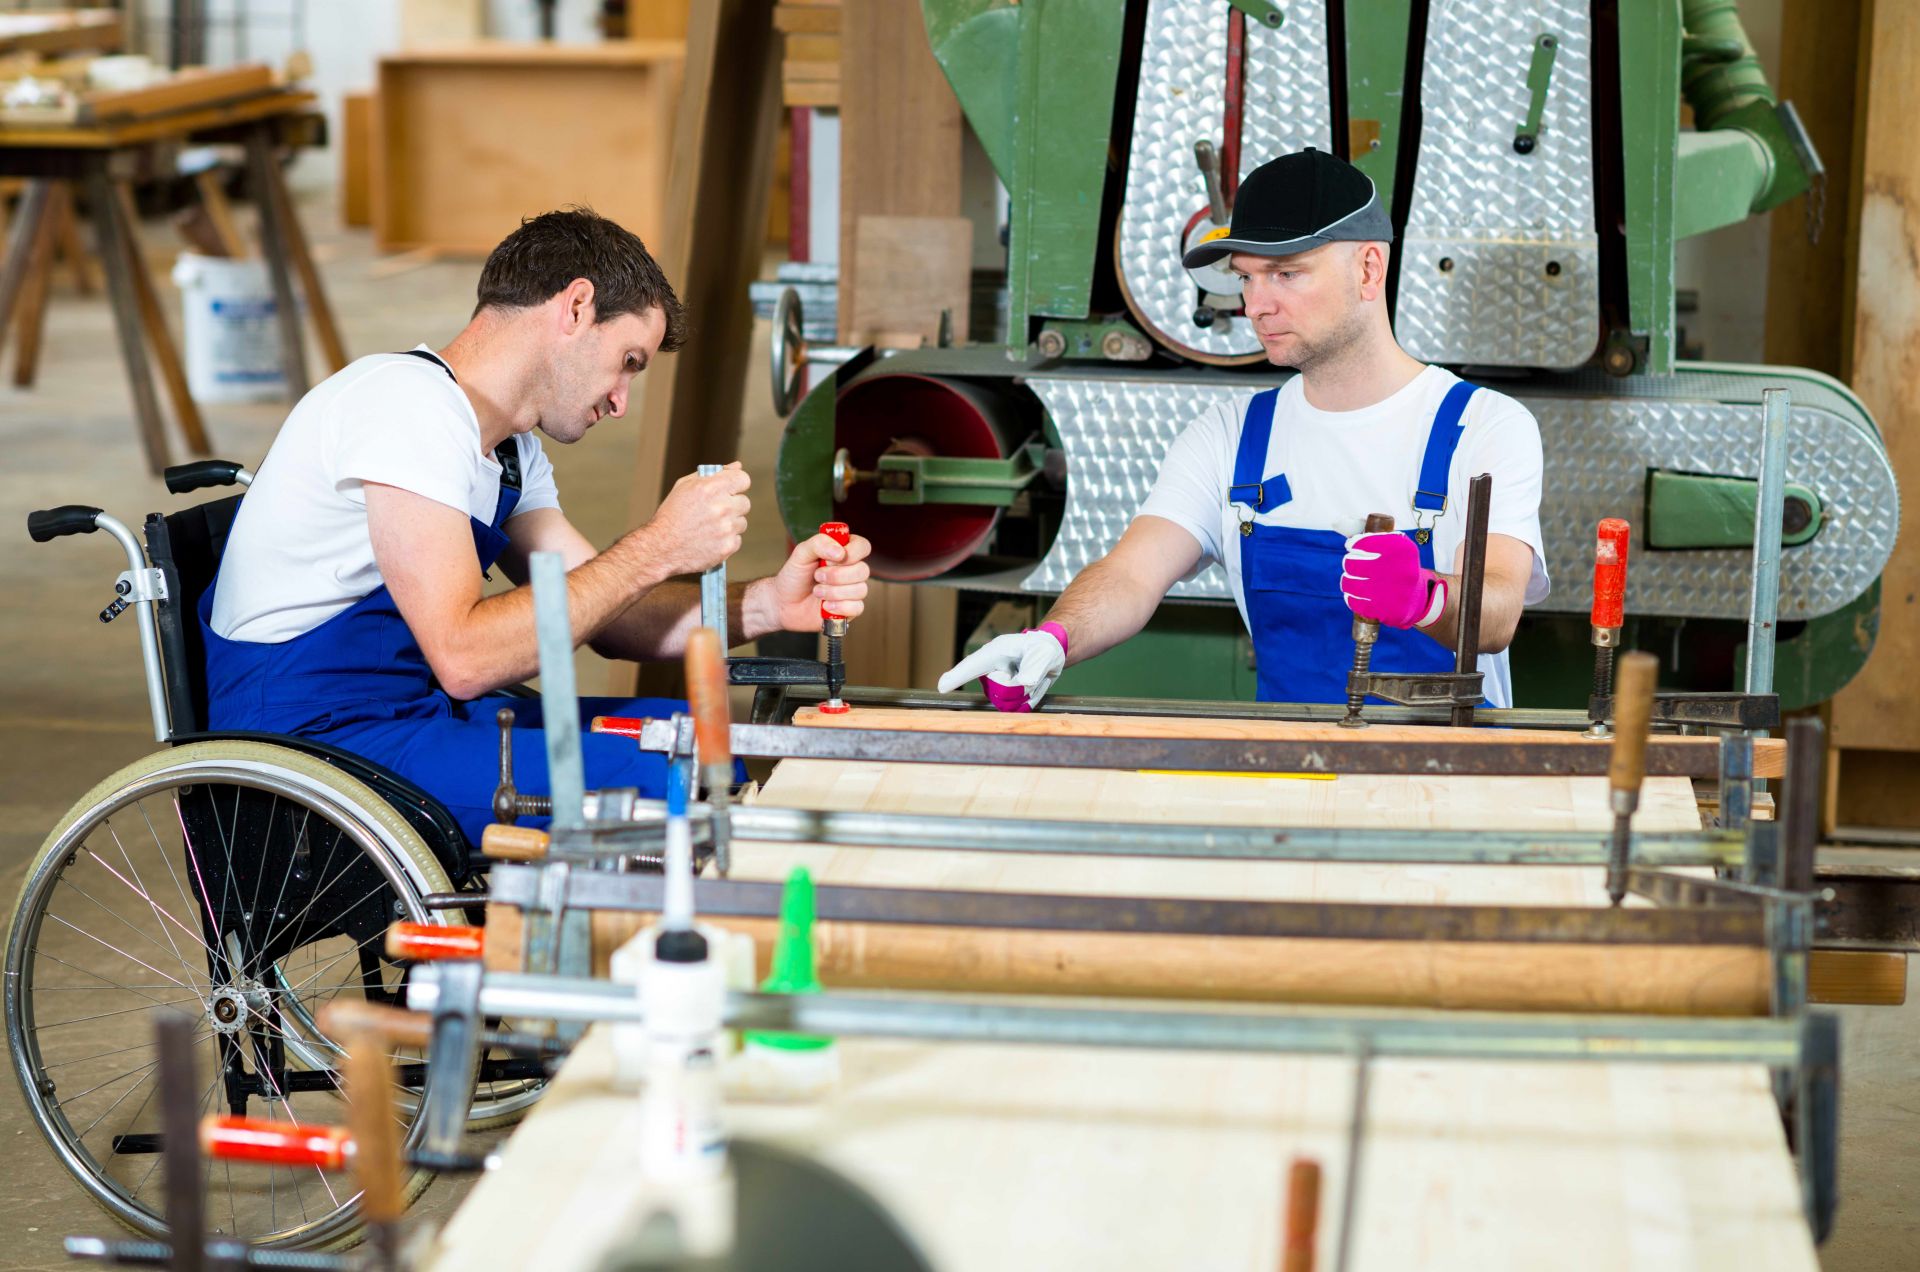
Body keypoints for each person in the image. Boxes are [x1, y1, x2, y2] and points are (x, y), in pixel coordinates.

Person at [201, 208, 870, 842]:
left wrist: (766, 604)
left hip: (405, 715)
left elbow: (608, 613)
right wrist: (660, 545)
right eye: (628, 362)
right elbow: (464, 659)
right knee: (661, 777)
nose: (620, 399)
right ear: (576, 308)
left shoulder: (508, 453)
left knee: (681, 732)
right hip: (309, 743)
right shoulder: (405, 407)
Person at [939, 148, 1548, 710]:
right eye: (1247, 277)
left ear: (1368, 269)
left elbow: (1496, 612)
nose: (1256, 304)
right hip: (1282, 772)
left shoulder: (1483, 426)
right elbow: (1130, 573)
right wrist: (1054, 638)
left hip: (1442, 777)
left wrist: (1425, 598)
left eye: (1286, 273)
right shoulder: (1230, 437)